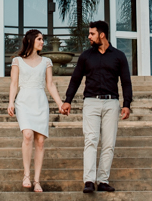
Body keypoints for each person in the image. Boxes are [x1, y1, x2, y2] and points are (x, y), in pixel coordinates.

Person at [60, 20, 133, 193]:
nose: (89, 37)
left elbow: (126, 82)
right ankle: (89, 181)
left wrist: (126, 104)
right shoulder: (86, 56)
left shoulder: (119, 56)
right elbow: (76, 79)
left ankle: (103, 181)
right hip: (91, 102)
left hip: (111, 103)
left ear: (102, 34)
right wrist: (68, 100)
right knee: (91, 140)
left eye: (92, 34)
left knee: (108, 143)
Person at [8, 28, 66, 193]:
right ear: (31, 40)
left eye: (42, 39)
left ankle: (37, 180)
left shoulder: (46, 61)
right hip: (24, 101)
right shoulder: (17, 61)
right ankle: (26, 175)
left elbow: (50, 85)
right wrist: (11, 102)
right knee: (27, 135)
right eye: (39, 39)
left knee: (40, 141)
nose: (42, 42)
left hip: (40, 102)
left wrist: (60, 103)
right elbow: (14, 83)